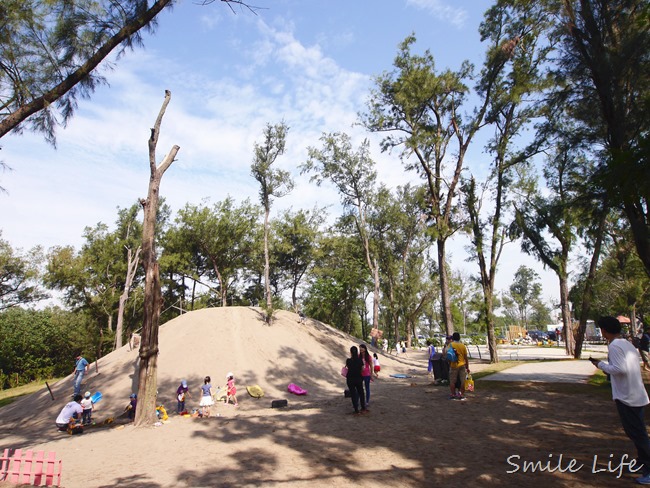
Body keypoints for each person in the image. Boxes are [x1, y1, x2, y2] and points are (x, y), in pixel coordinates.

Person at [589, 316, 650, 484]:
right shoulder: (625, 343)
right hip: (635, 393)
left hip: (627, 396)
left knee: (638, 434)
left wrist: (600, 365)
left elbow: (619, 369)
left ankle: (648, 468)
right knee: (637, 432)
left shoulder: (615, 346)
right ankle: (641, 462)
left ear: (605, 330)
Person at [344, 346, 367, 414]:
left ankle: (356, 409)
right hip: (358, 378)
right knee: (361, 393)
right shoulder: (360, 360)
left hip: (350, 379)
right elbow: (362, 369)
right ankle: (363, 407)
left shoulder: (348, 360)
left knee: (353, 394)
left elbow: (348, 367)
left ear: (351, 352)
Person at [447, 332, 470, 401]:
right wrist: (467, 367)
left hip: (453, 365)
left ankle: (453, 394)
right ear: (459, 338)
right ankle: (461, 394)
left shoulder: (450, 345)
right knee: (462, 380)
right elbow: (466, 357)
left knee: (452, 381)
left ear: (453, 338)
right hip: (462, 365)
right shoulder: (462, 346)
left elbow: (448, 356)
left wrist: (449, 364)